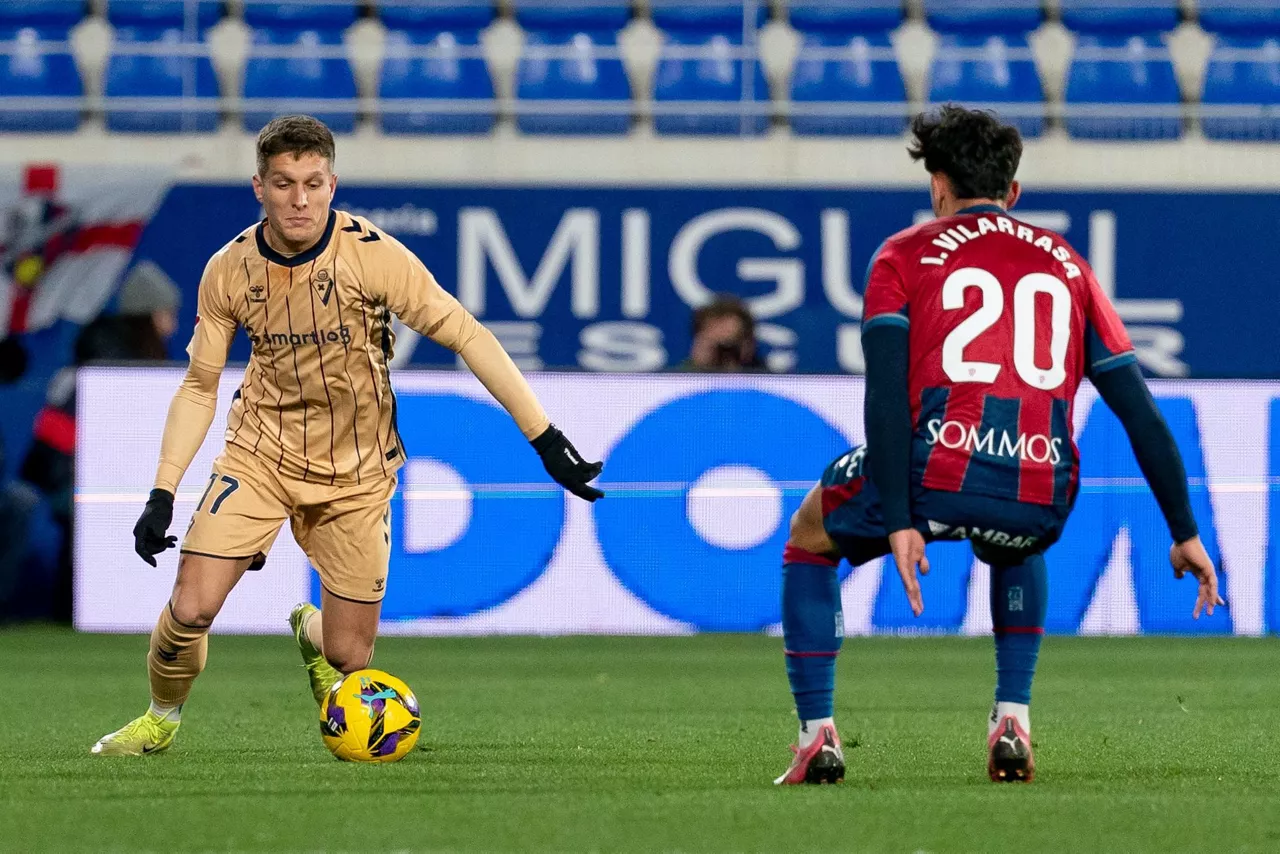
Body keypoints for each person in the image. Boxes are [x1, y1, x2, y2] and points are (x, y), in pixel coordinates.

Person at [91, 115, 604, 756]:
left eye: (312, 183)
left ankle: (315, 644)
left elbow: (467, 334)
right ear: (260, 187)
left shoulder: (373, 256)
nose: (299, 199)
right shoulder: (228, 269)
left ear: (333, 184)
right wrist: (162, 492)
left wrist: (545, 438)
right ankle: (160, 718)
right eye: (283, 184)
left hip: (359, 472)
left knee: (349, 656)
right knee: (190, 607)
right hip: (260, 454)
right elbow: (200, 386)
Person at [773, 105, 1221, 785]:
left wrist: (898, 519)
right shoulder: (1068, 264)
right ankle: (1012, 718)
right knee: (1014, 535)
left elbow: (887, 400)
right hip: (1042, 491)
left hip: (932, 472)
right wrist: (1185, 532)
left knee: (810, 533)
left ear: (937, 185)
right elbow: (1141, 414)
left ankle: (817, 739)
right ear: (1013, 192)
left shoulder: (902, 255)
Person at [679, 294, 765, 372]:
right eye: (716, 343)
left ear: (749, 344)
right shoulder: (675, 384)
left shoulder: (771, 383)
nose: (724, 353)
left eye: (730, 343)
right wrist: (695, 368)